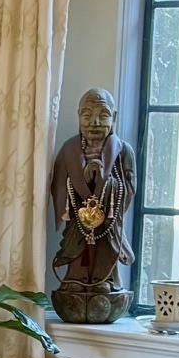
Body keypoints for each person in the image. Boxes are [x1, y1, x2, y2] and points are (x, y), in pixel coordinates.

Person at [49, 87, 136, 322]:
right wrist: (84, 179)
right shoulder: (69, 150)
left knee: (105, 248)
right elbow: (59, 186)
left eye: (103, 115)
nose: (94, 122)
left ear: (114, 117)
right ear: (78, 116)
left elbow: (129, 187)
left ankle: (104, 281)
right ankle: (76, 281)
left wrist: (106, 184)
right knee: (78, 248)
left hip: (107, 222)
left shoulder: (123, 150)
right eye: (87, 115)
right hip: (79, 219)